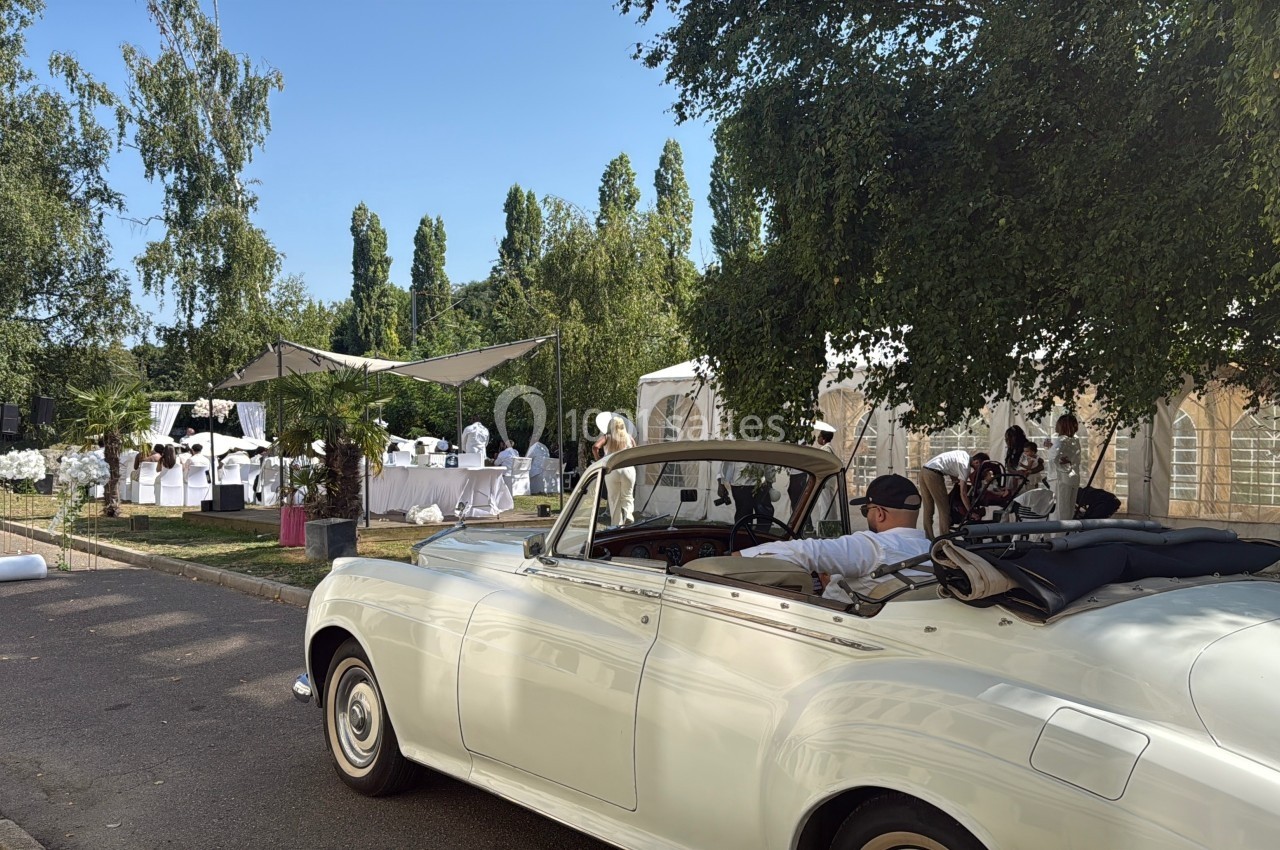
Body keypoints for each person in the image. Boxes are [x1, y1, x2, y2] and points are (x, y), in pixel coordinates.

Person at [735, 474, 931, 600]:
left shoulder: (873, 547)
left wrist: (735, 557)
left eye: (866, 510)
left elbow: (806, 551)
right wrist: (836, 583)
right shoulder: (935, 551)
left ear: (879, 513)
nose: (867, 515)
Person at [920, 450, 989, 538]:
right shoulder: (965, 467)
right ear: (976, 462)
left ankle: (929, 538)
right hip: (934, 474)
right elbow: (963, 494)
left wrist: (956, 480)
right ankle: (945, 539)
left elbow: (951, 467)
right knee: (944, 509)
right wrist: (970, 512)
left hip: (924, 470)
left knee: (928, 508)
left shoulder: (963, 454)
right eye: (980, 467)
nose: (979, 470)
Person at [596, 417, 636, 526]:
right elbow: (635, 451)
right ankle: (628, 515)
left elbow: (595, 447)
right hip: (628, 469)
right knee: (628, 495)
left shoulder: (607, 437)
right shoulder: (629, 438)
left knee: (614, 499)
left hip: (612, 469)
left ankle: (616, 525)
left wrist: (599, 461)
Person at [1044, 414, 1082, 523]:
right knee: (1069, 510)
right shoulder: (1075, 440)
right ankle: (1066, 535)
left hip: (1059, 478)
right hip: (1072, 477)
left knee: (1059, 511)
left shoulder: (1061, 440)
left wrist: (1049, 447)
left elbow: (1053, 457)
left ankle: (1057, 536)